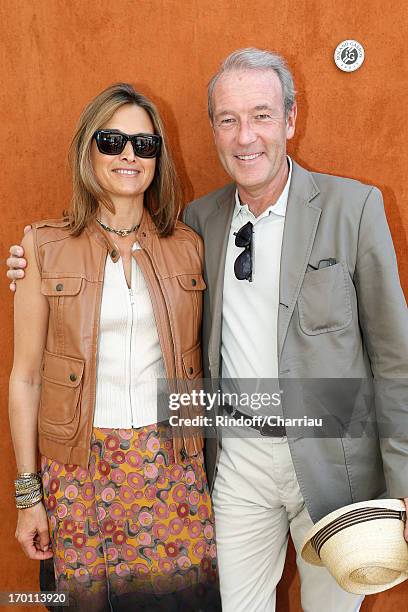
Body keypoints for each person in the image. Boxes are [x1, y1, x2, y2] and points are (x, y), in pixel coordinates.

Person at [7, 48, 408, 612]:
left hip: (331, 458)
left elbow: (396, 358)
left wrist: (404, 476)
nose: (246, 137)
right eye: (228, 120)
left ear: (290, 121)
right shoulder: (200, 223)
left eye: (262, 116)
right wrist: (28, 265)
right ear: (214, 131)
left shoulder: (352, 208)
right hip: (231, 459)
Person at [7, 83, 220, 612]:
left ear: (157, 159)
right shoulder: (41, 245)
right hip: (78, 469)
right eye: (113, 140)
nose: (129, 155)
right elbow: (25, 378)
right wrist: (28, 497)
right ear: (88, 149)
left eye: (144, 145)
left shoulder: (189, 245)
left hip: (170, 465)